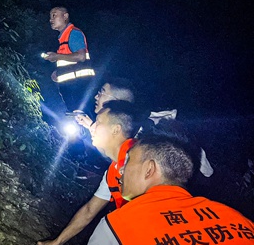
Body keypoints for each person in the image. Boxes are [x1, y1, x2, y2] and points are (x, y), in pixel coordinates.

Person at [49, 124, 254, 245]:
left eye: (128, 163)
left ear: (149, 170)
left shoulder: (123, 226)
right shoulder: (236, 217)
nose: (121, 171)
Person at [37, 100, 143, 245]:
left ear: (115, 129)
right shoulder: (113, 172)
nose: (93, 127)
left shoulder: (142, 159)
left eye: (99, 122)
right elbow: (89, 211)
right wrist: (57, 242)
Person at [74, 77, 214, 180]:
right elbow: (111, 151)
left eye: (101, 92)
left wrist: (92, 126)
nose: (96, 96)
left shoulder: (146, 131)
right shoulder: (130, 128)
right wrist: (91, 125)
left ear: (116, 101)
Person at [43, 6, 95, 112]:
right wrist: (58, 72)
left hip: (80, 90)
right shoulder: (63, 38)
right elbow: (70, 62)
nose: (51, 20)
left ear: (65, 16)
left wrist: (56, 56)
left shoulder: (74, 34)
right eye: (50, 17)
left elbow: (81, 57)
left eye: (54, 15)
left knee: (83, 119)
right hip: (73, 92)